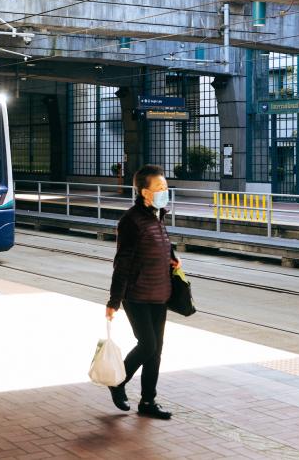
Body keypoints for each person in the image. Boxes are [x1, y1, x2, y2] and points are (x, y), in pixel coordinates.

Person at [105, 164, 180, 420]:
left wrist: (172, 257)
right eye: (159, 188)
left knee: (156, 350)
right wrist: (114, 300)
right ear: (144, 191)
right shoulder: (131, 221)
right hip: (136, 294)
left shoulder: (159, 215)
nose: (164, 191)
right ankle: (117, 381)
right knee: (147, 345)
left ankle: (148, 401)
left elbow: (161, 243)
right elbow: (122, 262)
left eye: (166, 187)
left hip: (160, 292)